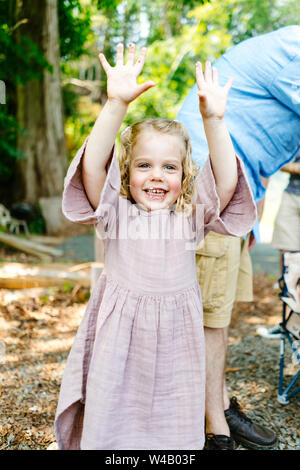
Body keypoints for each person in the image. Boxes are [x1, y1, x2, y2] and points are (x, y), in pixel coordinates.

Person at [54, 43, 256, 450]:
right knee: (115, 411)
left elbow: (226, 182)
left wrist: (214, 119)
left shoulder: (189, 217)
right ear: (126, 173)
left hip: (176, 337)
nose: (156, 176)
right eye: (144, 165)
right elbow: (94, 165)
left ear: (185, 175)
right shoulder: (115, 211)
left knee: (173, 414)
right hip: (121, 335)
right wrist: (114, 104)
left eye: (169, 167)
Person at [177, 25, 300, 450]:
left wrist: (251, 213)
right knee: (208, 314)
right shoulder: (296, 50)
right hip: (208, 176)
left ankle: (214, 409)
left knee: (217, 313)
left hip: (235, 183)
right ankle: (212, 430)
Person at [258, 153, 300, 339]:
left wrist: (291, 166)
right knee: (288, 266)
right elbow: (277, 159)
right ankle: (291, 325)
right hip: (292, 193)